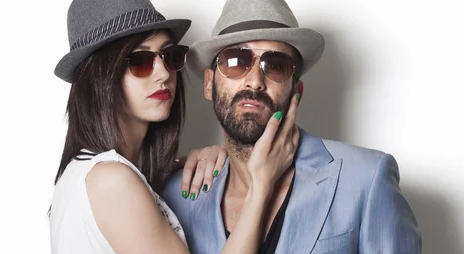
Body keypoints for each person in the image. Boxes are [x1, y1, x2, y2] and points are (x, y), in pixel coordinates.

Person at [163, 0, 423, 253]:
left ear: (296, 91)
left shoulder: (366, 179)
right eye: (236, 61)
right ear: (209, 84)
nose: (254, 81)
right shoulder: (178, 196)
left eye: (275, 65)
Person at [49, 0, 299, 253]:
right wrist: (261, 184)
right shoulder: (111, 181)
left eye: (170, 57)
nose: (164, 73)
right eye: (140, 61)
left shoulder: (90, 173)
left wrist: (187, 162)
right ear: (98, 77)